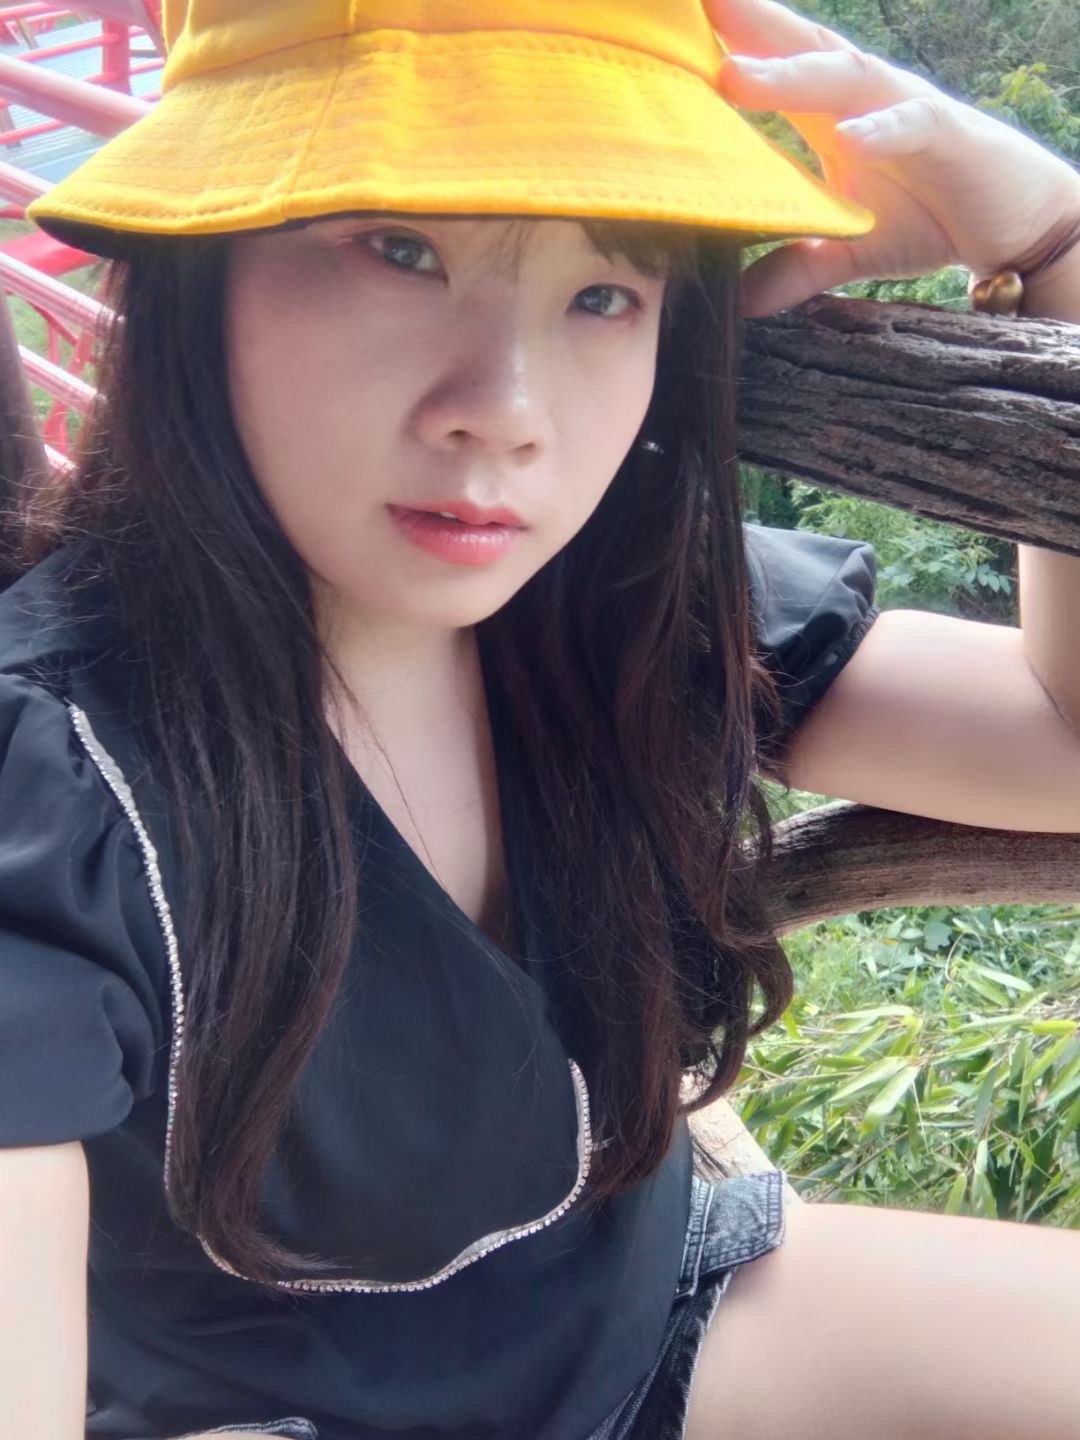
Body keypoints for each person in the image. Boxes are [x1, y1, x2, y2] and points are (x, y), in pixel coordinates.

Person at [2, 1, 1079, 1437]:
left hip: (668, 1327)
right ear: (206, 266)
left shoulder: (617, 613)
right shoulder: (52, 786)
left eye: (605, 293)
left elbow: (1057, 733)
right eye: (401, 249)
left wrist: (1056, 241)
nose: (505, 412)